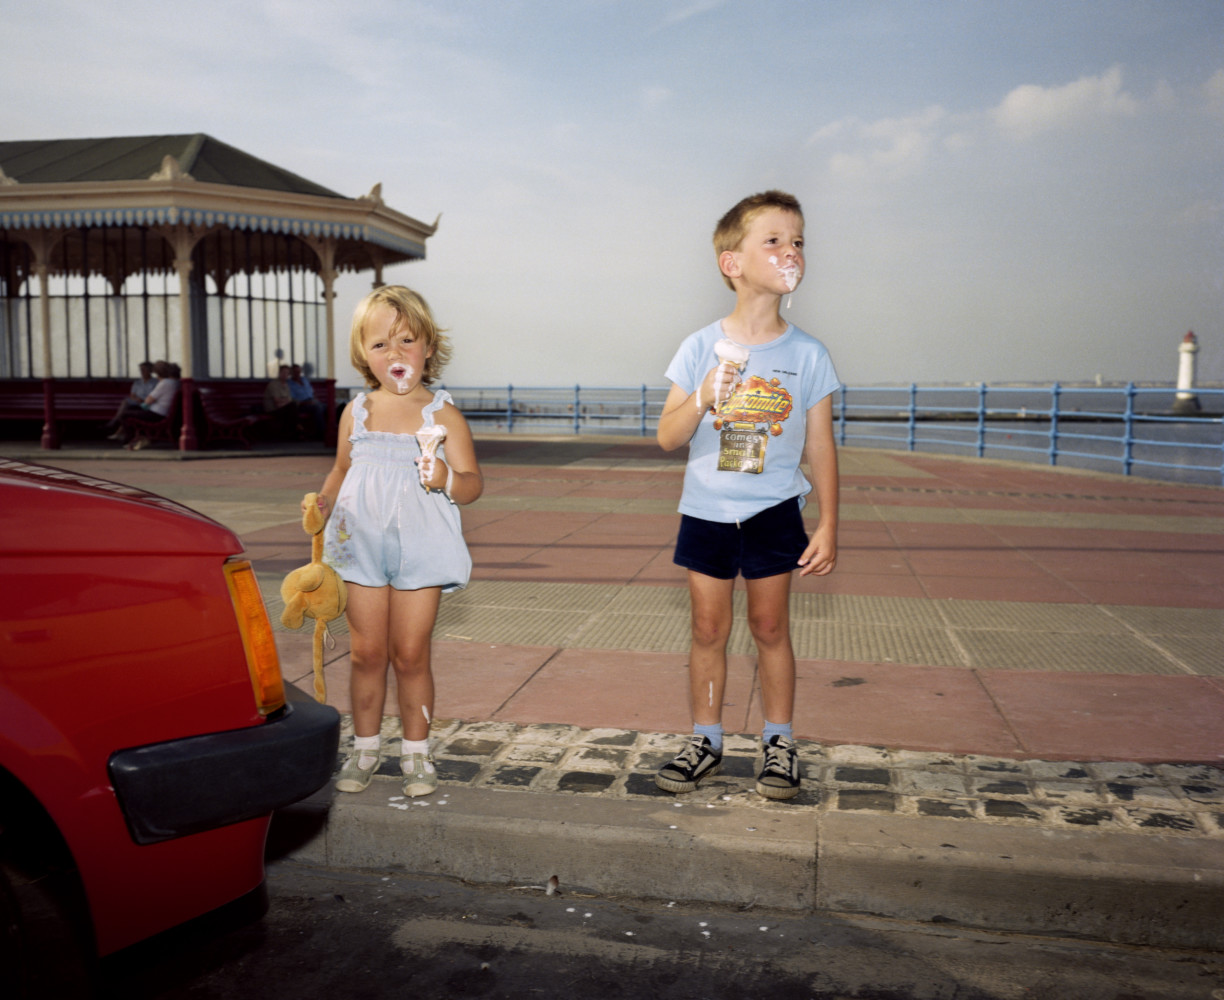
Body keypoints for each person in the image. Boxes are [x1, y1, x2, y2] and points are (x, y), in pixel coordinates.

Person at [654, 190, 839, 801]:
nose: (791, 252)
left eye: (799, 242)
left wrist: (829, 522)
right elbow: (666, 436)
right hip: (706, 509)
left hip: (774, 510)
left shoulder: (808, 354)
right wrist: (704, 393)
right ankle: (706, 739)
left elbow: (820, 444)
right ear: (732, 263)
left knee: (769, 626)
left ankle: (778, 740)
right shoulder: (698, 346)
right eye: (774, 241)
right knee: (708, 628)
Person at [311, 285, 482, 798]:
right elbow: (341, 470)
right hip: (360, 546)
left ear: (428, 346)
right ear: (363, 354)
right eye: (380, 344)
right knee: (366, 654)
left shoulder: (444, 416)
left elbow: (472, 483)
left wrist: (445, 478)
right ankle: (364, 747)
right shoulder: (355, 413)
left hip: (421, 547)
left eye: (406, 340)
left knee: (410, 654)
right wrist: (319, 508)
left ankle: (416, 752)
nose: (396, 354)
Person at [121, 361, 181, 450]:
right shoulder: (176, 383)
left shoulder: (165, 383)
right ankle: (139, 437)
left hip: (156, 414)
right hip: (163, 412)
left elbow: (148, 401)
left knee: (125, 414)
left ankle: (131, 440)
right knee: (131, 408)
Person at [105, 361, 157, 440]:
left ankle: (115, 425)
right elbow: (132, 395)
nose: (142, 372)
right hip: (136, 404)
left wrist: (143, 400)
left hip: (147, 405)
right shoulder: (137, 382)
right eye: (140, 370)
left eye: (144, 370)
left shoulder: (155, 382)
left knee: (126, 407)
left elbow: (154, 396)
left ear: (150, 371)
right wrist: (137, 399)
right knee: (127, 405)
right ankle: (119, 431)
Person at [289, 363, 326, 438]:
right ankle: (321, 433)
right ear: (292, 373)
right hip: (302, 405)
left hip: (313, 401)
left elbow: (312, 392)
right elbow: (293, 400)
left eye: (299, 372)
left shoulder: (304, 380)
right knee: (317, 408)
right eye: (295, 372)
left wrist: (315, 399)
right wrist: (307, 402)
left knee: (331, 407)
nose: (298, 374)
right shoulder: (289, 384)